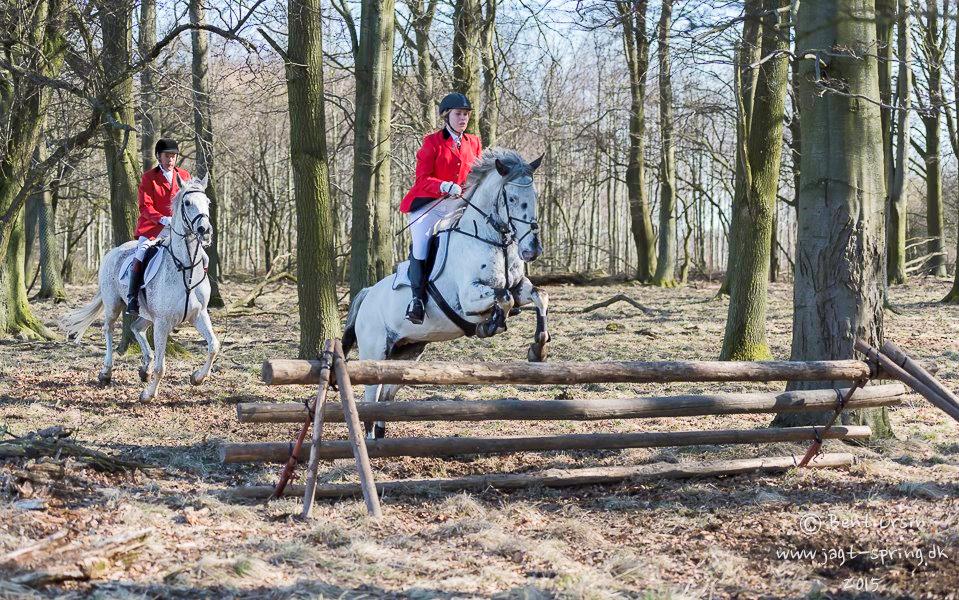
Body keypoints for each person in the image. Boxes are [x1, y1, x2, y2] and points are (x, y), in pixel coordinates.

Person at [399, 92, 483, 324]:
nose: (463, 118)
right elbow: (422, 179)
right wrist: (445, 185)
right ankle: (416, 300)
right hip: (429, 206)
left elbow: (476, 174)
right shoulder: (432, 142)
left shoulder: (473, 142)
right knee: (421, 247)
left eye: (466, 114)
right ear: (447, 115)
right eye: (458, 114)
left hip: (457, 206)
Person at [126, 138, 191, 316]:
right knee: (140, 253)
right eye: (167, 156)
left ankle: (194, 295)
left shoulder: (184, 176)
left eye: (173, 156)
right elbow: (145, 206)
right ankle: (132, 297)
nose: (170, 159)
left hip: (177, 228)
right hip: (153, 227)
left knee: (197, 253)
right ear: (158, 157)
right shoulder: (149, 178)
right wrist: (162, 219)